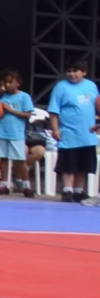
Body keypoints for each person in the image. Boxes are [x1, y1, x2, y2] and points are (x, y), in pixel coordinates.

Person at [49, 58, 97, 203]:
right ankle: (67, 190)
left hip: (87, 133)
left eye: (75, 71)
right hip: (69, 132)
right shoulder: (61, 87)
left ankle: (78, 190)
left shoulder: (91, 86)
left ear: (84, 72)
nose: (72, 74)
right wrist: (55, 129)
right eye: (69, 71)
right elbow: (53, 110)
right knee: (69, 164)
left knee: (84, 164)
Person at [0, 71, 38, 196]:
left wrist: (11, 111)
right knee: (4, 159)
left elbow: (28, 115)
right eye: (6, 82)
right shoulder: (1, 97)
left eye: (10, 82)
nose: (7, 85)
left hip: (16, 133)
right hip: (2, 132)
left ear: (18, 83)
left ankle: (26, 186)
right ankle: (4, 185)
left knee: (20, 160)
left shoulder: (24, 97)